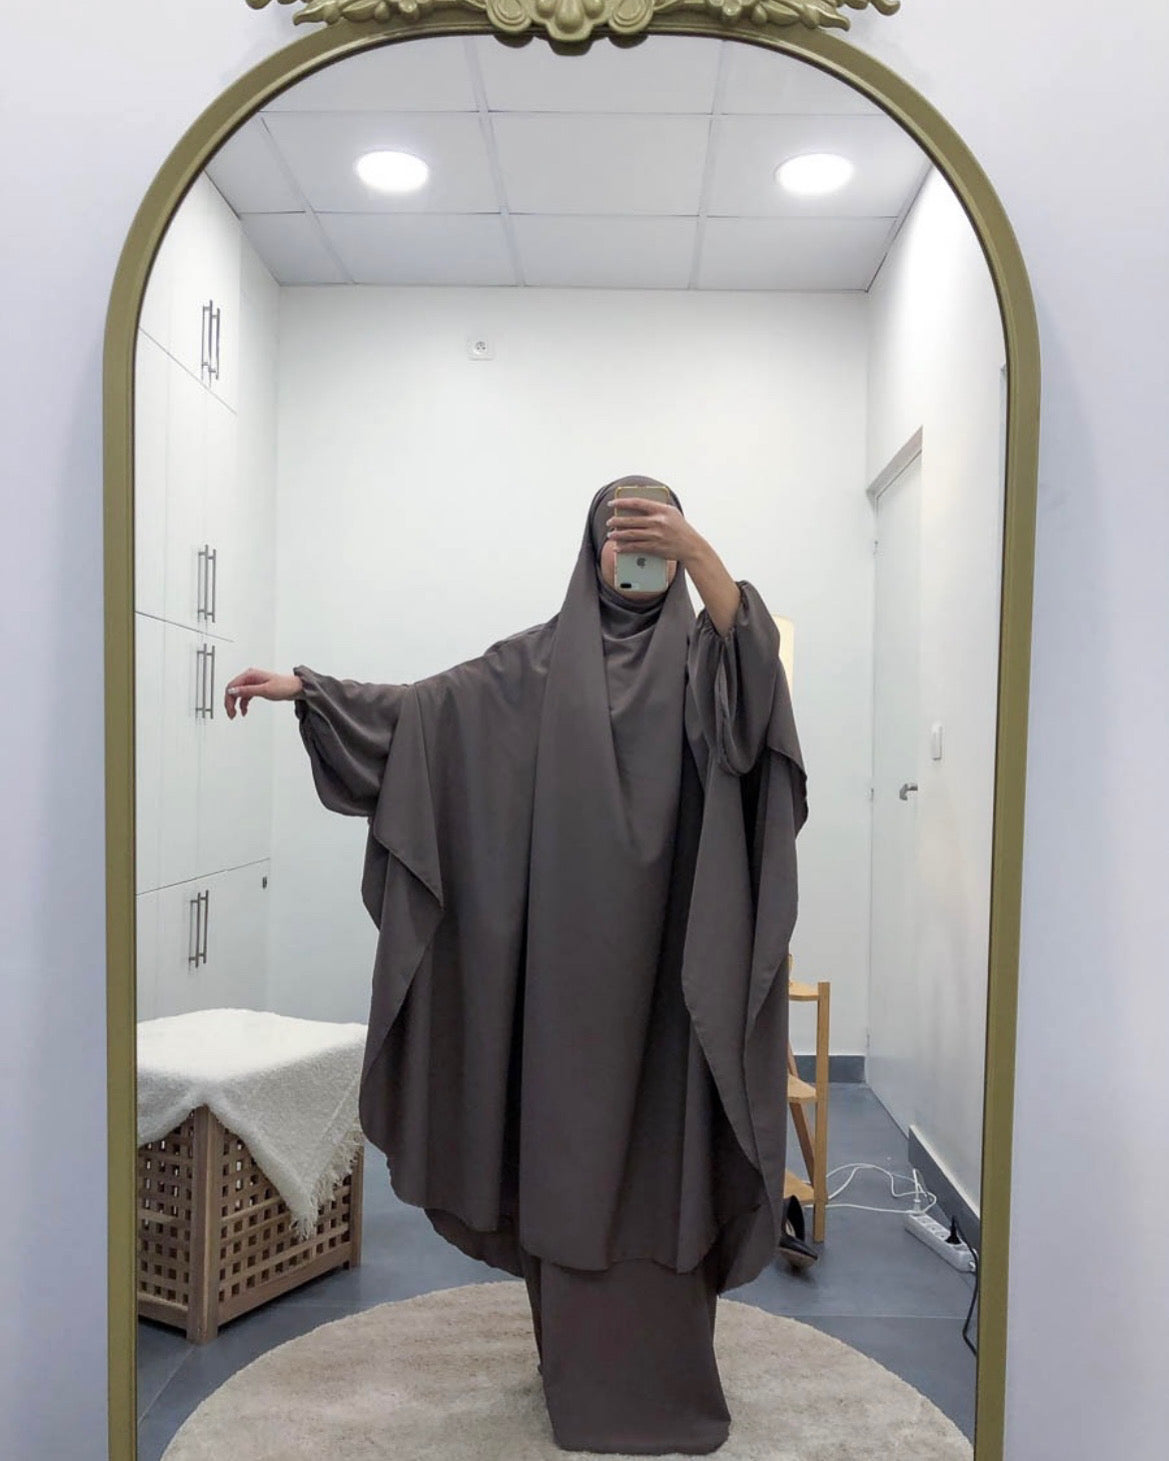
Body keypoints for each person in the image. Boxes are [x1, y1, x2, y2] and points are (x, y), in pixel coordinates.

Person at [224, 477, 808, 1455]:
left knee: (665, 1168)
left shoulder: (708, 664)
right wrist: (310, 691)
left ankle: (664, 1385)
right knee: (566, 1162)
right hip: (560, 985)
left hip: (679, 985)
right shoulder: (532, 670)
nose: (635, 555)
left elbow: (758, 696)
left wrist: (702, 553)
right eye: (620, 537)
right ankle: (576, 1376)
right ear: (589, 550)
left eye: (655, 538)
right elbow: (422, 716)